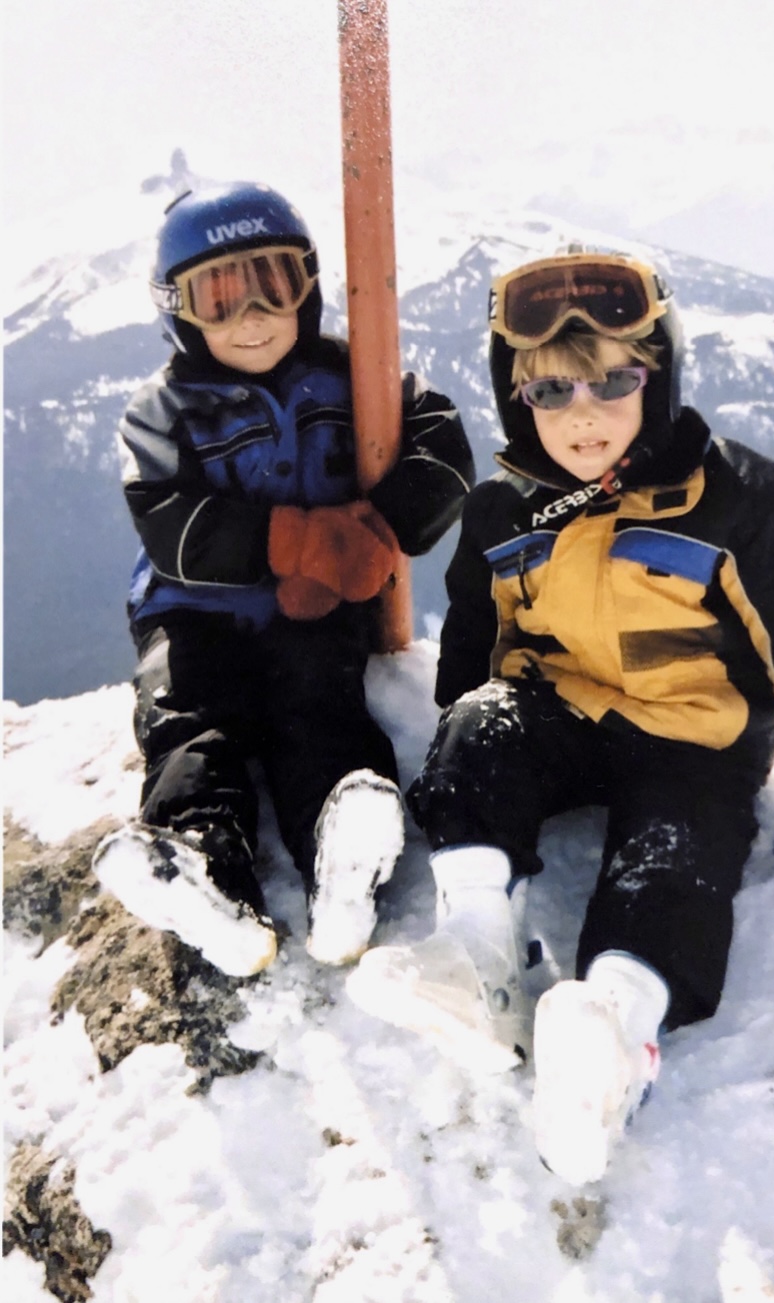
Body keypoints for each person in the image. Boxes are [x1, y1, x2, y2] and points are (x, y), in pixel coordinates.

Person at [346, 250, 774, 1185]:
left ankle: (616, 1028)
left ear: (656, 377)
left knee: (671, 856)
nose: (581, 413)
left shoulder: (745, 505)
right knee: (482, 730)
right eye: (551, 391)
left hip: (693, 739)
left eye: (611, 381)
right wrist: (461, 722)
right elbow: (477, 620)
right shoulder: (507, 507)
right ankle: (479, 958)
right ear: (520, 402)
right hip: (561, 711)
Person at [94, 181, 474, 980]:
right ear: (179, 309)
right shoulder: (161, 414)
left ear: (309, 283)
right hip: (194, 611)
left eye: (274, 283)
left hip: (316, 612)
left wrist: (382, 528)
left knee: (320, 702)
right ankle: (202, 862)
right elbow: (170, 524)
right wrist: (301, 539)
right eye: (221, 296)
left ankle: (341, 844)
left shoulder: (355, 379)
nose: (253, 314)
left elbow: (442, 445)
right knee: (191, 718)